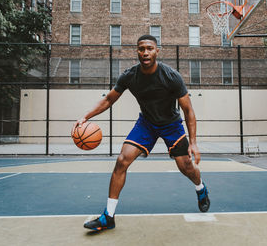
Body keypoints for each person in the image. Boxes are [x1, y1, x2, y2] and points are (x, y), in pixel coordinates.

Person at [76, 35, 210, 231]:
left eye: (149, 48)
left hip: (171, 124)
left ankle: (201, 188)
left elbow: (188, 110)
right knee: (122, 160)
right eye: (141, 49)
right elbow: (108, 100)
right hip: (146, 123)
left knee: (186, 167)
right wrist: (86, 117)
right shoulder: (130, 76)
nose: (145, 52)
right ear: (137, 51)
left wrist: (194, 142)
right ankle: (108, 216)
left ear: (157, 51)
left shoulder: (171, 76)